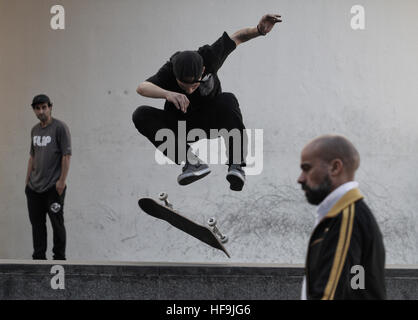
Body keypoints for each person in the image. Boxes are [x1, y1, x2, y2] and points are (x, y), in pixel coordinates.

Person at [133, 14, 282, 191]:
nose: (189, 90)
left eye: (195, 84)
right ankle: (192, 163)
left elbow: (238, 37)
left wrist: (259, 30)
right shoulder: (169, 69)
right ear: (175, 75)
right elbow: (142, 87)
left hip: (212, 121)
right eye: (183, 85)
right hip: (182, 126)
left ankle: (236, 166)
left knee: (228, 99)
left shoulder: (210, 57)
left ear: (203, 70)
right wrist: (168, 94)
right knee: (141, 114)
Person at [297, 135, 386, 300]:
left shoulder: (346, 218)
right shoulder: (342, 215)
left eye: (307, 168)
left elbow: (328, 295)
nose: (300, 178)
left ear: (335, 168)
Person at [25, 94, 71, 260]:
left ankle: (59, 258)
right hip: (34, 188)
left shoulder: (60, 128)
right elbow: (32, 156)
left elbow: (66, 156)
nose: (41, 111)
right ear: (34, 110)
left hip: (53, 188)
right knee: (37, 225)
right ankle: (39, 259)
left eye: (44, 107)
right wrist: (27, 182)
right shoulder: (34, 130)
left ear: (50, 107)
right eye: (37, 108)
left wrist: (61, 182)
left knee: (57, 224)